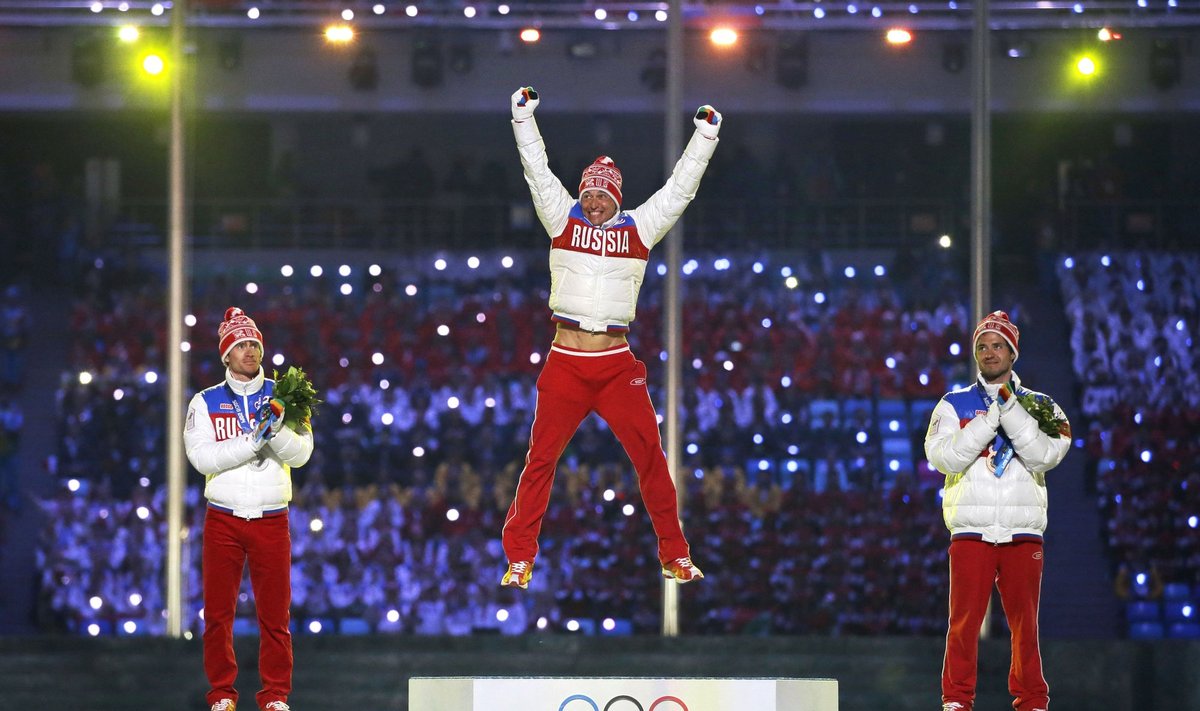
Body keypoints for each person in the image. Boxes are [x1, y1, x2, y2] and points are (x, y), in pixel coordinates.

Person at [499, 86, 722, 589]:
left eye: (604, 194)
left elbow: (679, 190)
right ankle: (519, 557)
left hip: (617, 363)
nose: (594, 201)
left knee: (651, 456)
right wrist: (522, 118)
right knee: (541, 459)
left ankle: (675, 555)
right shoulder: (561, 218)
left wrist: (704, 136)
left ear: (617, 198)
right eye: (590, 193)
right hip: (566, 361)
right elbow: (537, 170)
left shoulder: (640, 229)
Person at [924, 310, 1071, 711]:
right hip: (972, 528)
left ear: (1013, 352)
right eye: (982, 347)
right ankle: (956, 700)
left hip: (1022, 531)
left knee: (1026, 626)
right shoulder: (953, 404)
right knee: (963, 623)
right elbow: (944, 458)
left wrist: (1009, 408)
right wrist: (989, 421)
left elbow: (1045, 456)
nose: (989, 353)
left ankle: (1032, 700)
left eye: (998, 346)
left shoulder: (1044, 406)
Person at [185, 307, 313, 711]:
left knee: (275, 616)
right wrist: (253, 440)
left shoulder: (287, 395)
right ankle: (222, 693)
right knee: (218, 614)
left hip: (272, 518)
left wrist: (273, 433)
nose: (250, 351)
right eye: (240, 345)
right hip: (222, 517)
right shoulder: (204, 402)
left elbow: (303, 454)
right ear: (226, 354)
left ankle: (275, 695)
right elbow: (202, 460)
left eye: (254, 344)